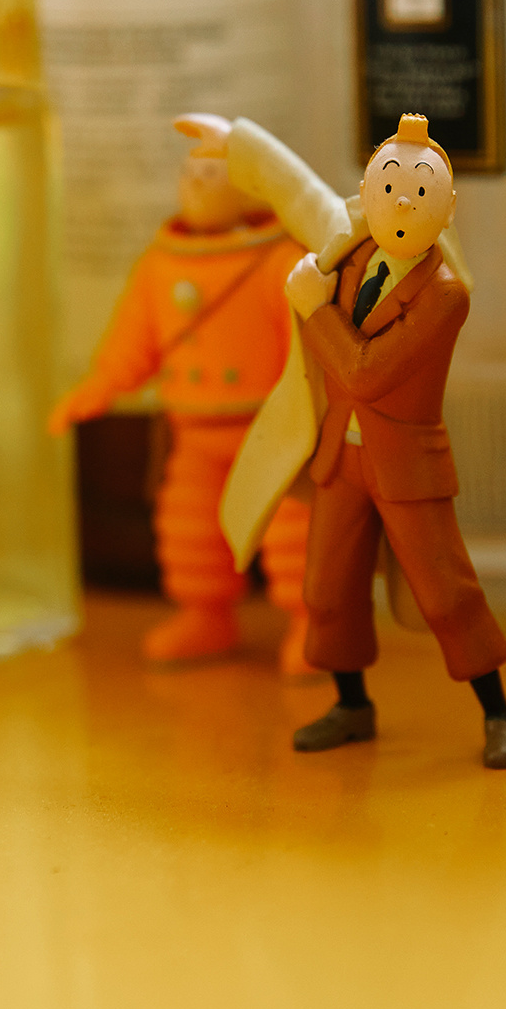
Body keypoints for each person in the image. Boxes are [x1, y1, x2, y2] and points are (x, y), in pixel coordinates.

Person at [174, 112, 506, 770]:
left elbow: (366, 372)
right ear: (365, 191)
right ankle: (352, 704)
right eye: (388, 187)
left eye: (419, 193)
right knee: (327, 591)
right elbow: (298, 191)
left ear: (447, 208)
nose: (401, 203)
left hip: (406, 467)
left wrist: (314, 308)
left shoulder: (445, 295)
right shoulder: (347, 247)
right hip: (343, 458)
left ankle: (497, 711)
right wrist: (238, 142)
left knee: (446, 594)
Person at [48, 149, 315, 675]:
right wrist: (100, 385)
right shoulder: (159, 264)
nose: (195, 184)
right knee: (190, 529)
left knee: (294, 534)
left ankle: (314, 621)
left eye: (210, 174)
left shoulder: (281, 263)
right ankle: (205, 614)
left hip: (271, 435)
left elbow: (308, 347)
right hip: (193, 433)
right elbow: (133, 340)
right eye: (189, 173)